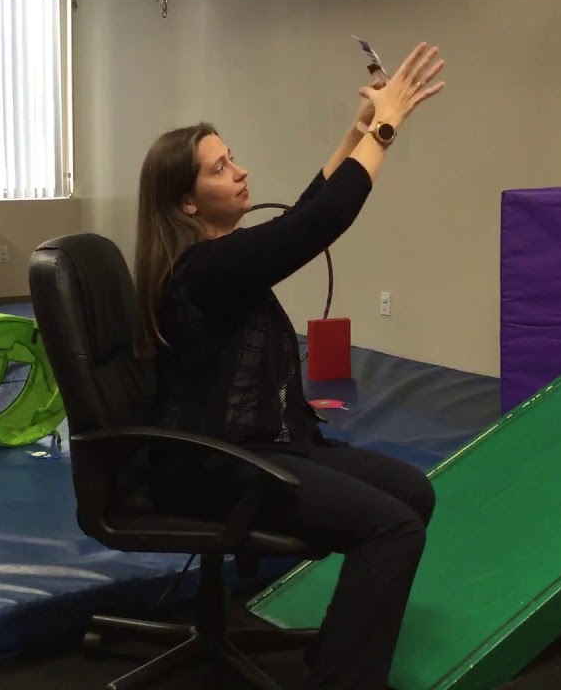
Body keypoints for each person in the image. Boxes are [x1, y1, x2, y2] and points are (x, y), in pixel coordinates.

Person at [133, 42, 447, 689]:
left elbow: (303, 215)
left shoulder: (219, 258)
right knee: (392, 529)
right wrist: (386, 129)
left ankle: (340, 650)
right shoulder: (206, 269)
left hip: (265, 444)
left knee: (413, 493)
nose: (240, 171)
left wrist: (357, 132)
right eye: (221, 168)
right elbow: (319, 224)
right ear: (188, 203)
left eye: (232, 157)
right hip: (215, 465)